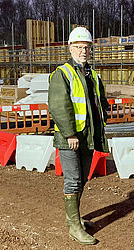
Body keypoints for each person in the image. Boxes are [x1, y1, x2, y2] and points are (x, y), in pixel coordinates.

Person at [48, 27, 109, 245]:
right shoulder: (62, 74)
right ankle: (74, 227)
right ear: (70, 48)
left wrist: (105, 112)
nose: (83, 51)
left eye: (87, 47)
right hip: (70, 138)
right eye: (79, 47)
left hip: (88, 137)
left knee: (82, 178)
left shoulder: (92, 74)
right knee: (73, 181)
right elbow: (58, 106)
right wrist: (70, 133)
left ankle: (76, 218)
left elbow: (98, 101)